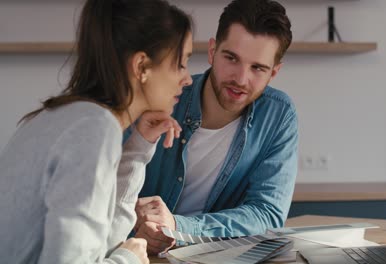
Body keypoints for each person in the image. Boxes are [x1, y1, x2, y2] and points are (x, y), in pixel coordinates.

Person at [0, 0, 193, 263]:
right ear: (141, 67)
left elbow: (98, 246)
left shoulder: (70, 115)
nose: (188, 78)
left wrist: (138, 147)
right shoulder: (92, 128)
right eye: (181, 63)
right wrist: (128, 260)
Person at [131, 0, 298, 254]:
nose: (241, 79)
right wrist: (137, 223)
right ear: (212, 51)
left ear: (273, 73)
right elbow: (107, 188)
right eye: (231, 58)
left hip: (214, 255)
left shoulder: (278, 114)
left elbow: (267, 214)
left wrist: (178, 227)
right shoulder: (162, 97)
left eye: (258, 68)